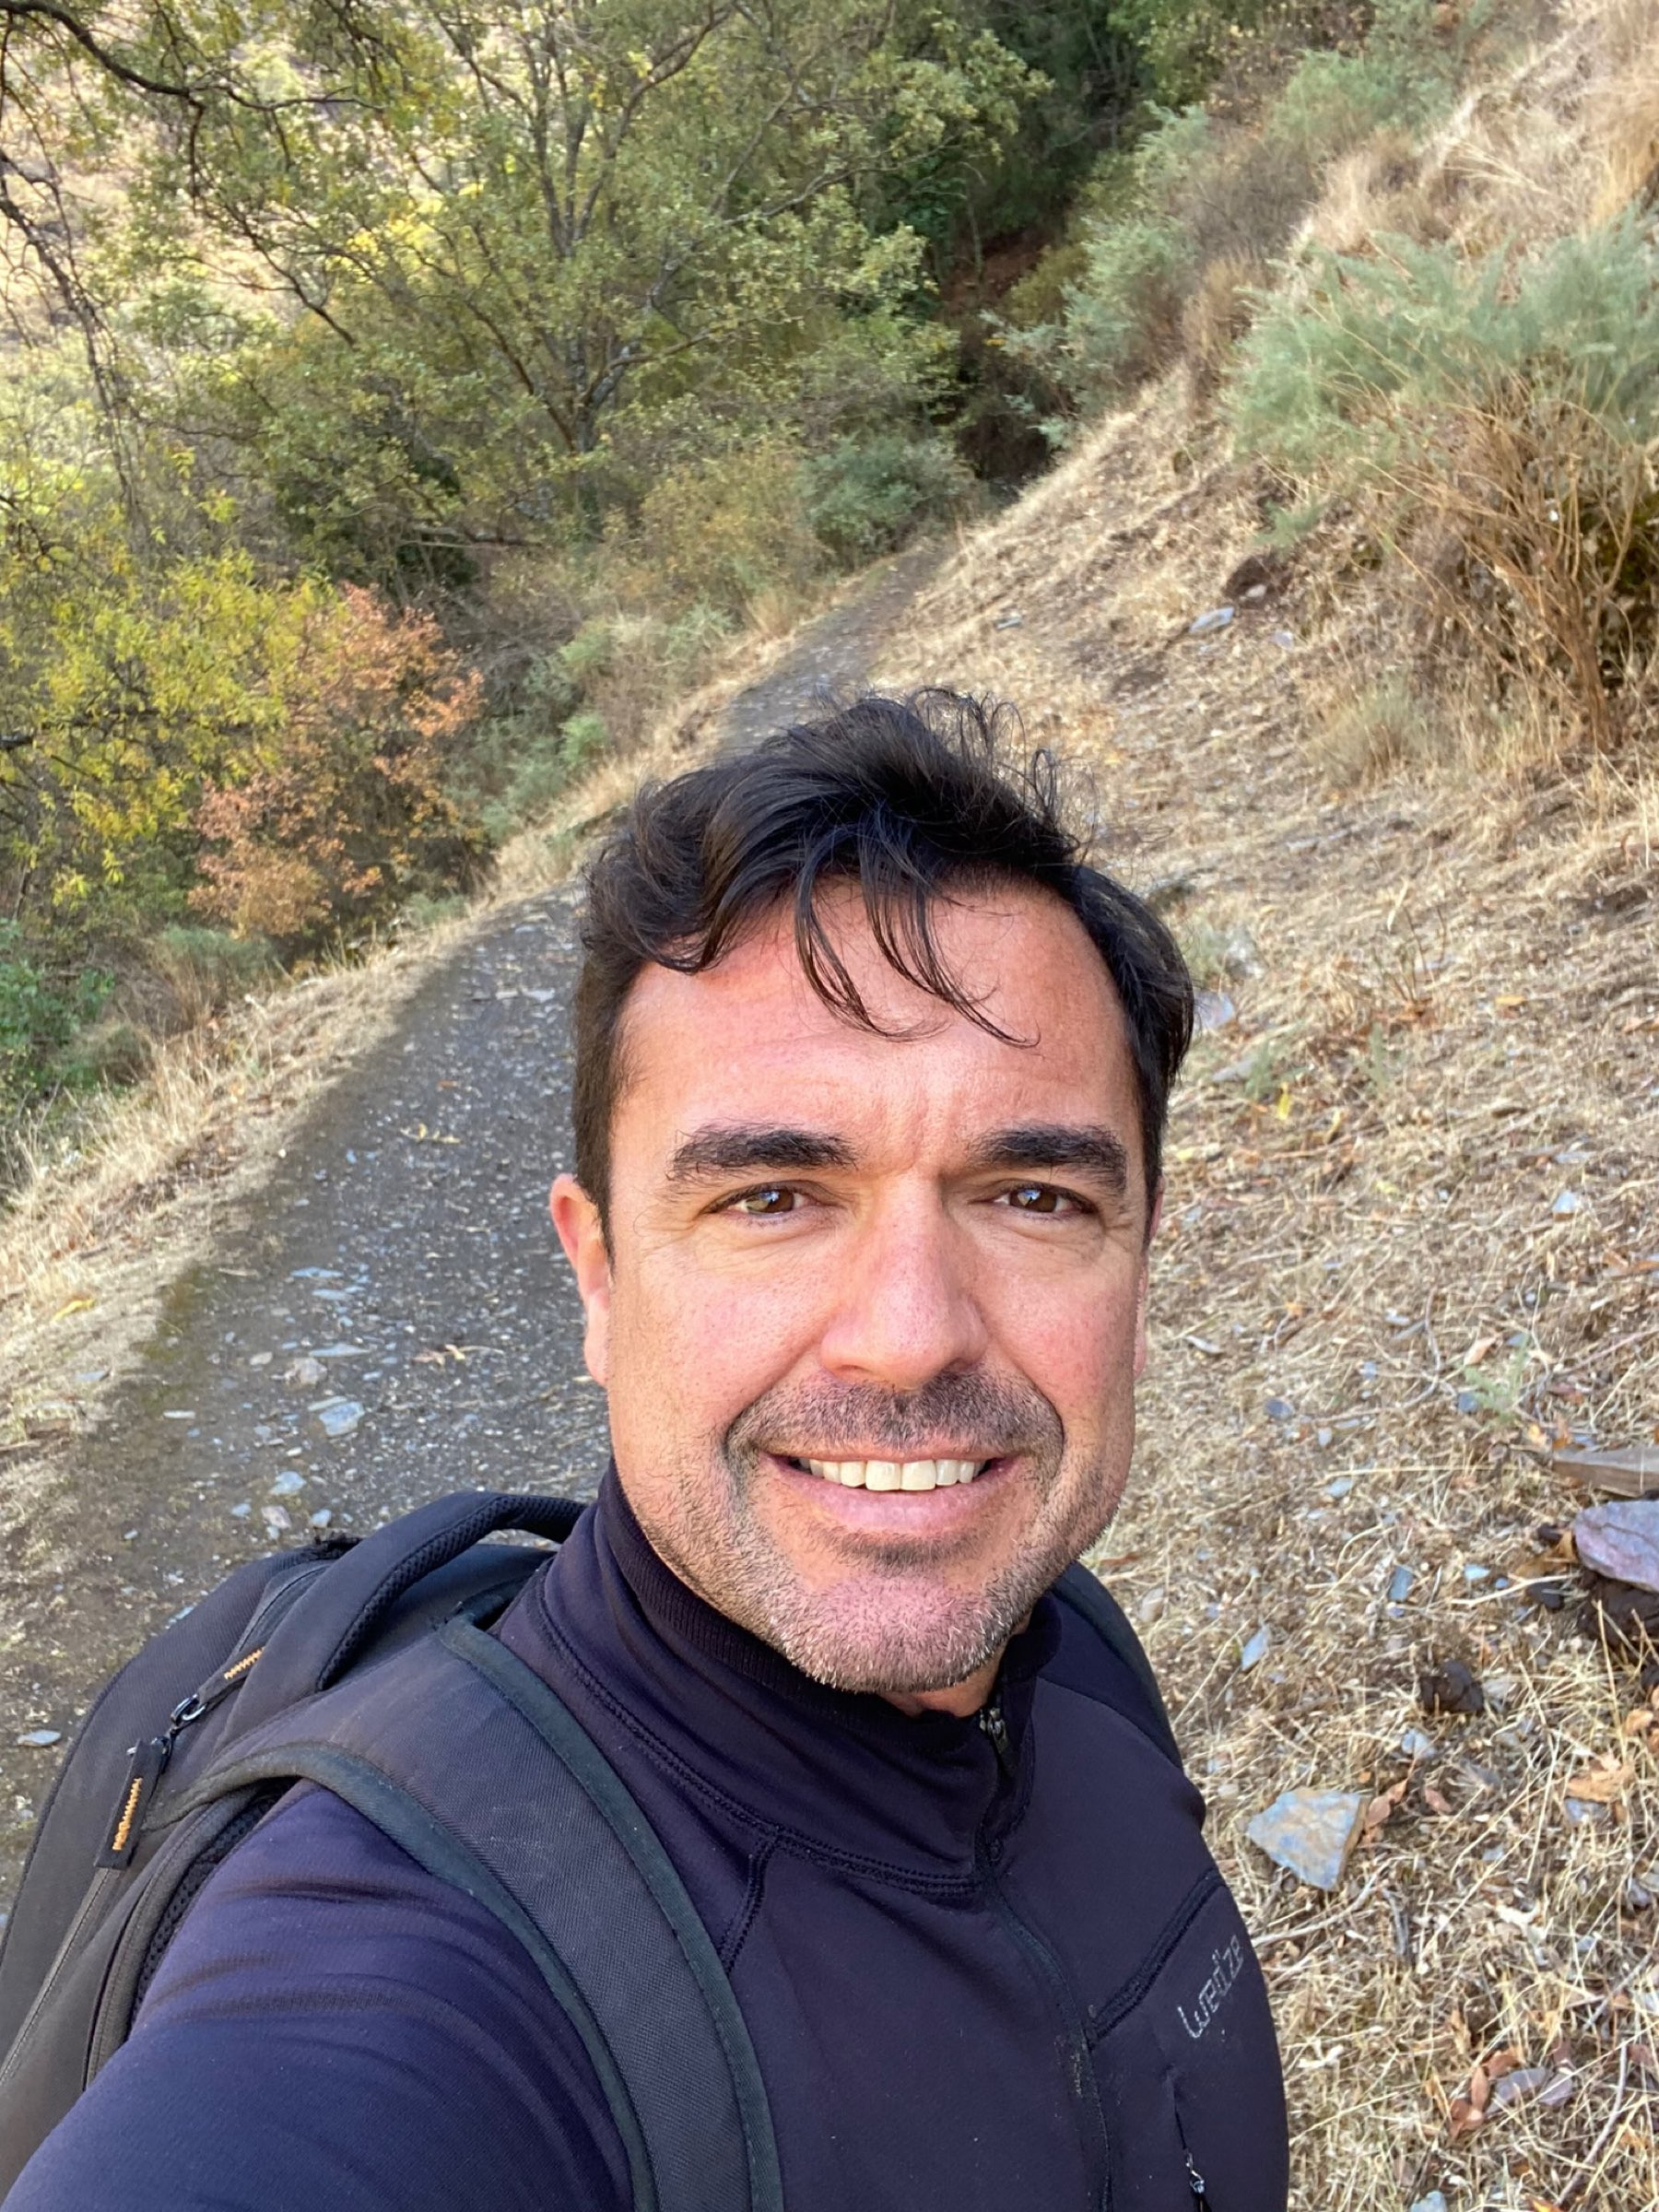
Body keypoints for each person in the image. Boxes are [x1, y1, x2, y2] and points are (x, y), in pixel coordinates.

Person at [5, 692, 1288, 2210]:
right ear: (599, 1276)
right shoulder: (409, 1965)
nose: (910, 1336)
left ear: (1138, 1255)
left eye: (1031, 1198)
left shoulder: (1069, 1648)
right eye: (772, 1199)